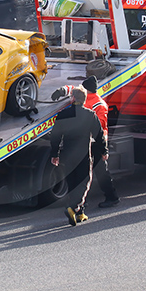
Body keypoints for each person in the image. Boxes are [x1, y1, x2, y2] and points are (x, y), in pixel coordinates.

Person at [51, 75, 121, 208]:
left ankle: (111, 197)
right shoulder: (84, 96)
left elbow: (99, 127)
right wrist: (61, 91)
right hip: (86, 141)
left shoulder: (99, 105)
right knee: (83, 172)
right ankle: (81, 201)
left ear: (86, 90)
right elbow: (72, 88)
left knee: (99, 171)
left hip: (94, 142)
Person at [50, 87, 108, 226]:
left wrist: (55, 154)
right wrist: (104, 151)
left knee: (72, 182)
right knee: (85, 182)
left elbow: (55, 136)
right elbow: (99, 136)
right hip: (83, 155)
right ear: (84, 100)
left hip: (67, 155)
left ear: (73, 99)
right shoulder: (90, 115)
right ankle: (73, 207)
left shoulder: (63, 114)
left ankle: (80, 213)